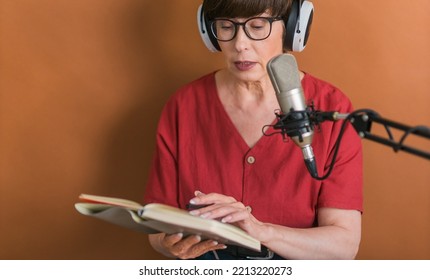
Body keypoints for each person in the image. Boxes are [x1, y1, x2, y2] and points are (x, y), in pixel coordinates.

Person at [144, 0, 363, 260]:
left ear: (294, 27)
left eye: (258, 26)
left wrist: (261, 231)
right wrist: (166, 242)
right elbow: (156, 228)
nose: (239, 44)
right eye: (226, 27)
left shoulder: (332, 107)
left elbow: (343, 246)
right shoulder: (183, 105)